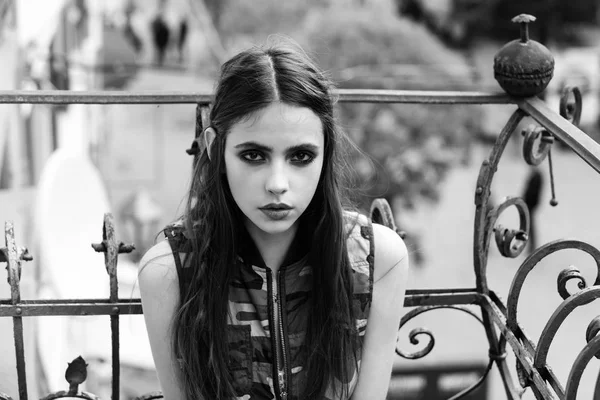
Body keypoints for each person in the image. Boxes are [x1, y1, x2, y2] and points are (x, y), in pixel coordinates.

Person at [138, 42, 409, 400]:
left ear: (324, 154)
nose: (278, 184)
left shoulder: (376, 261)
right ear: (215, 150)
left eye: (300, 156)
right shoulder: (171, 272)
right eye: (253, 155)